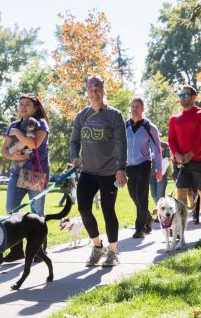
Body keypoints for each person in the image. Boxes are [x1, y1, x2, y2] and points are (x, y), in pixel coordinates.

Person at [70, 75, 127, 267]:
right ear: (86, 91)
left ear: (103, 90)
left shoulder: (114, 115)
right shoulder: (81, 116)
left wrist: (121, 168)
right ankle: (97, 246)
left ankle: (113, 252)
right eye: (90, 88)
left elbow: (122, 143)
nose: (94, 91)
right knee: (83, 208)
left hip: (109, 172)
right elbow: (74, 141)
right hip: (88, 171)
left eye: (97, 87)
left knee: (108, 210)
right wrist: (74, 156)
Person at [1, 93, 50, 262]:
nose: (23, 107)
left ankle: (39, 250)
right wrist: (13, 157)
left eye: (27, 104)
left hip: (36, 173)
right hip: (17, 173)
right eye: (20, 103)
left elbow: (34, 143)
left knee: (37, 212)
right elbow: (4, 149)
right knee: (11, 211)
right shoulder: (13, 125)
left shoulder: (41, 124)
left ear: (35, 108)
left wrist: (17, 133)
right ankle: (16, 250)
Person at [168, 85, 201, 237]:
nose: (182, 97)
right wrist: (176, 154)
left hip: (199, 160)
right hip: (180, 162)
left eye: (186, 95)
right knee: (181, 192)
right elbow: (171, 139)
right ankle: (180, 228)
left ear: (194, 97)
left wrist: (191, 153)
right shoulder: (174, 118)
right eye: (180, 94)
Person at [125, 97, 162, 238]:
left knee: (141, 195)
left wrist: (159, 169)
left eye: (137, 106)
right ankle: (148, 218)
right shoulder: (125, 125)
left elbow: (157, 149)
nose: (134, 108)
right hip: (129, 166)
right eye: (132, 106)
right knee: (133, 195)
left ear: (143, 109)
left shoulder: (149, 127)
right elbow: (120, 146)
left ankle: (139, 229)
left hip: (144, 164)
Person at [150, 140, 170, 205]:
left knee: (160, 196)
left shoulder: (164, 145)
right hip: (151, 175)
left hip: (161, 174)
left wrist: (161, 152)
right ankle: (160, 211)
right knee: (153, 195)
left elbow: (168, 157)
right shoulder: (148, 145)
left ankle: (161, 213)